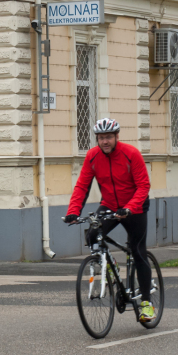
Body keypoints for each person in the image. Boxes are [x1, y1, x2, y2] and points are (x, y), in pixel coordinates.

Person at [64, 118, 155, 322]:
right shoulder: (93, 156)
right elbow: (82, 186)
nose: (105, 141)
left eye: (108, 137)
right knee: (93, 235)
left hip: (135, 207)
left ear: (116, 137)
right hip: (110, 205)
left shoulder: (131, 154)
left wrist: (130, 208)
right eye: (101, 138)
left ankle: (147, 304)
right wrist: (73, 211)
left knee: (138, 251)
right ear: (97, 138)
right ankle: (109, 263)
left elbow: (143, 186)